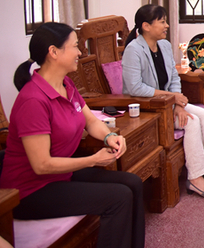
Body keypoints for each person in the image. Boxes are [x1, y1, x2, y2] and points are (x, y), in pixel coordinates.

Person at [0, 23, 144, 248]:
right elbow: (42, 165)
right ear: (53, 52)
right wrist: (93, 160)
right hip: (30, 191)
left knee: (132, 183)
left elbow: (90, 121)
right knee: (118, 197)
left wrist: (108, 137)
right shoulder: (33, 100)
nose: (80, 52)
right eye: (75, 46)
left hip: (61, 176)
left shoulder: (66, 84)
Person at [122, 4, 204, 198]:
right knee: (191, 121)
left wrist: (177, 104)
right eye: (162, 22)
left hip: (168, 102)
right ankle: (195, 178)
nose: (167, 26)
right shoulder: (133, 50)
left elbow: (175, 78)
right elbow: (135, 88)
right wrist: (172, 98)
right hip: (148, 108)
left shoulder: (165, 46)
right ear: (146, 26)